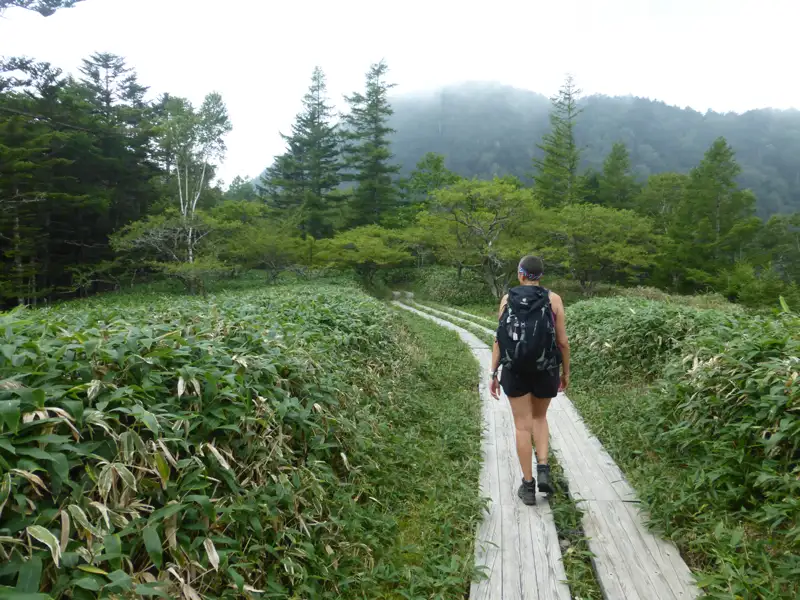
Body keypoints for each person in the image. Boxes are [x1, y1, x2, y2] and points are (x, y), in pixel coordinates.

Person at [489, 255, 571, 506]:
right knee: (539, 418)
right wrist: (565, 372)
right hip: (545, 369)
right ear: (541, 276)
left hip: (515, 371)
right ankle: (543, 466)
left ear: (520, 274)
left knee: (522, 426)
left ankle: (527, 485)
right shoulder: (553, 299)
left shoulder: (507, 299)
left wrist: (493, 373)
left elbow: (499, 339)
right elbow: (563, 342)